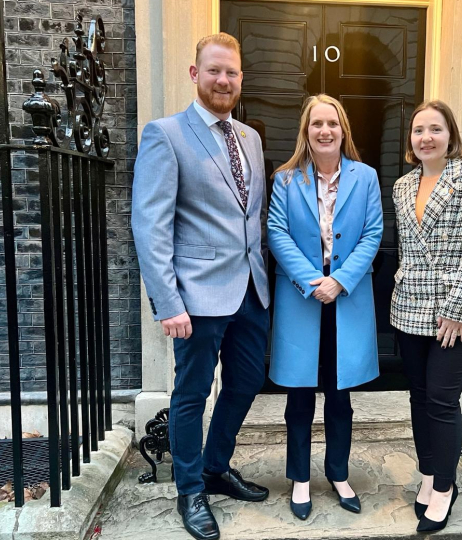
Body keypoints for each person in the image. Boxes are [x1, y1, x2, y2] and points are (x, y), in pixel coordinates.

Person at [131, 33, 270, 540]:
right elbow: (150, 225)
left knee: (247, 381)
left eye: (231, 72)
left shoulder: (250, 137)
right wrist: (168, 302)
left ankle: (215, 467)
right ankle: (189, 490)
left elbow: (249, 215)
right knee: (191, 394)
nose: (223, 80)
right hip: (195, 296)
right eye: (214, 71)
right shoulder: (165, 134)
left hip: (251, 291)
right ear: (195, 74)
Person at [267, 94, 383, 521]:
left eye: (332, 123)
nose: (325, 130)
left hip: (346, 299)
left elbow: (373, 233)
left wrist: (340, 281)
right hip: (303, 298)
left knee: (340, 397)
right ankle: (299, 478)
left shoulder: (366, 177)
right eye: (316, 123)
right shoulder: (285, 179)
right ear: (306, 130)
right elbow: (276, 233)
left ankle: (338, 473)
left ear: (343, 129)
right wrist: (313, 281)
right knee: (299, 397)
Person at [390, 100, 462, 533]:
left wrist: (455, 308)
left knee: (441, 399)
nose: (426, 138)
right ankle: (428, 473)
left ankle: (445, 487)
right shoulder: (401, 185)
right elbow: (407, 249)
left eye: (435, 129)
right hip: (410, 307)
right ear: (411, 140)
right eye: (418, 130)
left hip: (460, 313)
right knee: (418, 398)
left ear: (450, 136)